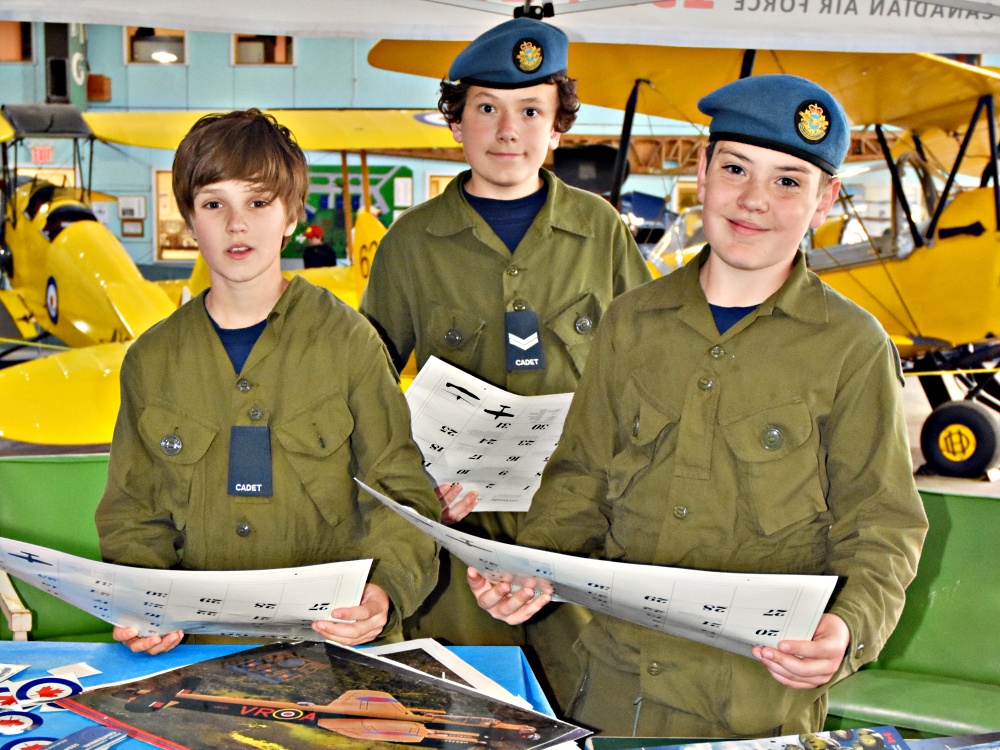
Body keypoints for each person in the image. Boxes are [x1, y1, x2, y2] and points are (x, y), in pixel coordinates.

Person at [468, 74, 929, 736]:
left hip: (758, 699)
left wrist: (847, 628)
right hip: (613, 687)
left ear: (826, 200)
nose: (753, 200)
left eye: (788, 181)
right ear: (703, 172)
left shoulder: (852, 348)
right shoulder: (631, 323)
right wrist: (530, 570)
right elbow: (579, 481)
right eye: (736, 168)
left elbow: (883, 524)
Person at [359, 16, 652, 711]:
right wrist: (407, 479)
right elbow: (365, 389)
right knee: (463, 710)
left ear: (557, 131)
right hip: (459, 541)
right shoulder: (411, 245)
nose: (508, 129)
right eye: (486, 108)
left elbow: (651, 370)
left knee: (587, 705)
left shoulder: (602, 234)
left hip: (577, 540)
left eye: (531, 111)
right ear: (456, 124)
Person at [95, 109, 442, 655]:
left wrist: (384, 593)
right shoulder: (152, 361)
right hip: (198, 652)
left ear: (290, 217)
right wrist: (144, 600)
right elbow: (133, 513)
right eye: (214, 204)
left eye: (258, 202)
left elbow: (403, 497)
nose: (237, 224)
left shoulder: (349, 343)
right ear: (190, 219)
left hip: (335, 650)